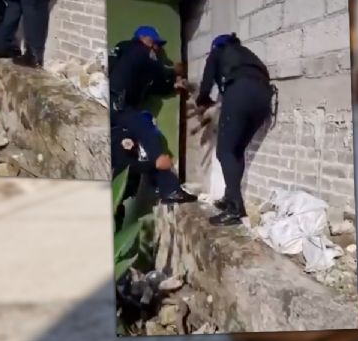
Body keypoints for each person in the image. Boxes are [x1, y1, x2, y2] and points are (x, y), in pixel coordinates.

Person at [108, 25, 197, 204]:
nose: (158, 49)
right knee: (147, 128)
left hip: (116, 109)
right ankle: (170, 189)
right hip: (118, 106)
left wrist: (171, 86)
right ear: (146, 40)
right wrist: (174, 72)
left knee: (130, 150)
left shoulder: (127, 57)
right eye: (156, 45)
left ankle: (159, 187)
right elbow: (156, 69)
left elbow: (151, 83)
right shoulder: (139, 51)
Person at [195, 32, 274, 226]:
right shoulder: (249, 56)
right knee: (236, 151)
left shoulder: (218, 53)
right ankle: (230, 198)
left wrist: (202, 100)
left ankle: (235, 209)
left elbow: (206, 85)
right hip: (265, 99)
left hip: (241, 94)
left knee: (224, 151)